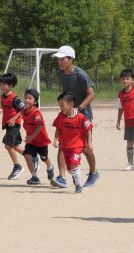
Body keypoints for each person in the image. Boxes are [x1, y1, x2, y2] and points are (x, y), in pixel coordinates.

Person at [51, 45, 99, 188]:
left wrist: (80, 108)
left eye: (62, 59)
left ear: (71, 59)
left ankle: (93, 172)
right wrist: (65, 107)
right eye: (58, 59)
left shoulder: (80, 74)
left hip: (83, 114)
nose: (59, 62)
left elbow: (91, 94)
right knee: (63, 144)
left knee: (85, 148)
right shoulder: (60, 74)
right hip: (68, 112)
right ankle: (61, 177)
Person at [53, 92, 93, 193]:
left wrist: (89, 143)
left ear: (71, 104)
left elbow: (88, 129)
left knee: (74, 164)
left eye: (62, 105)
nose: (61, 107)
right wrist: (55, 139)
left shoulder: (81, 117)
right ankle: (76, 177)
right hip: (66, 146)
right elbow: (58, 128)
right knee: (70, 169)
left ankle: (79, 186)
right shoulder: (61, 116)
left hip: (77, 146)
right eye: (60, 105)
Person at [19, 89, 54, 185]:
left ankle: (50, 166)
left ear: (35, 102)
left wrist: (32, 136)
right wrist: (14, 119)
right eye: (25, 98)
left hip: (41, 141)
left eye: (29, 98)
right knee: (26, 155)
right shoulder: (23, 111)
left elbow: (40, 126)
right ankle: (34, 176)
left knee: (44, 158)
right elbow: (20, 113)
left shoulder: (36, 113)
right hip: (31, 141)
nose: (26, 100)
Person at [0, 73, 26, 179]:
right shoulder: (2, 96)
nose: (1, 85)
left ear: (10, 85)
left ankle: (17, 167)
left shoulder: (14, 98)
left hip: (14, 125)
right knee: (15, 146)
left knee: (8, 145)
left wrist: (14, 118)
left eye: (3, 84)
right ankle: (31, 157)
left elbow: (23, 109)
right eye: (0, 83)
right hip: (8, 125)